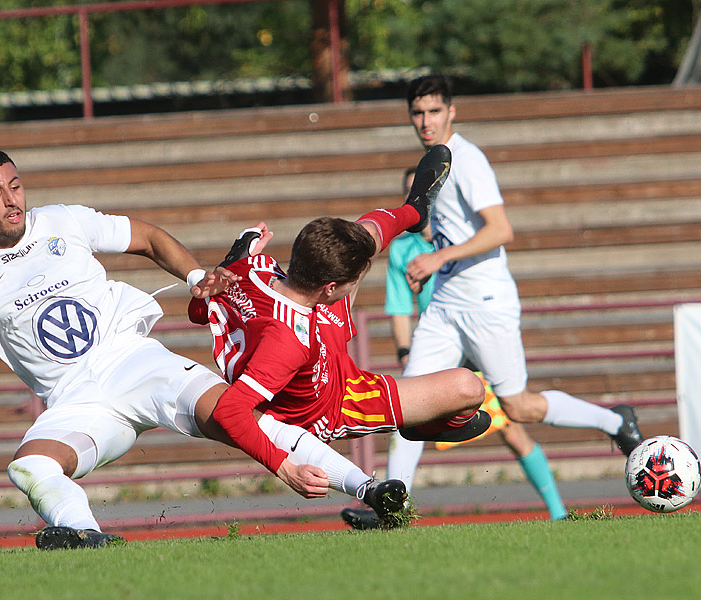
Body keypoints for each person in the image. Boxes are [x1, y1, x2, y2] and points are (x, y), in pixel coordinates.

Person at [0, 148, 408, 549]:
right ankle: (84, 537)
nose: (11, 201)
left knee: (234, 415)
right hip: (77, 401)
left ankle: (372, 489)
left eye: (16, 185)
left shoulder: (63, 221)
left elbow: (145, 235)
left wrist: (196, 274)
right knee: (29, 469)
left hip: (135, 359)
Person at [385, 74, 643, 510]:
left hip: (486, 303)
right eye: (418, 112)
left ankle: (613, 419)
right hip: (447, 304)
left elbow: (502, 229)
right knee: (408, 402)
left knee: (519, 407)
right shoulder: (435, 160)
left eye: (434, 111)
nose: (425, 120)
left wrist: (439, 259)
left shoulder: (467, 160)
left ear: (452, 111)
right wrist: (437, 261)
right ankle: (392, 507)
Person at [188, 147, 492, 499]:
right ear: (331, 288)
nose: (361, 277)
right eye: (353, 280)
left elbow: (202, 313)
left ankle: (414, 211)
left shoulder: (252, 268)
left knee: (360, 238)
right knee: (469, 389)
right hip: (334, 401)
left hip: (307, 316)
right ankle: (423, 423)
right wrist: (286, 468)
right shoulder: (286, 343)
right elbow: (230, 410)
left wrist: (214, 282)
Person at [341, 165, 567, 529]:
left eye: (426, 195)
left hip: (474, 340)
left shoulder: (458, 237)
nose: (421, 204)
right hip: (438, 344)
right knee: (408, 416)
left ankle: (559, 511)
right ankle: (393, 511)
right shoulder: (404, 250)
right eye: (414, 197)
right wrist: (405, 352)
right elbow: (400, 308)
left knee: (511, 427)